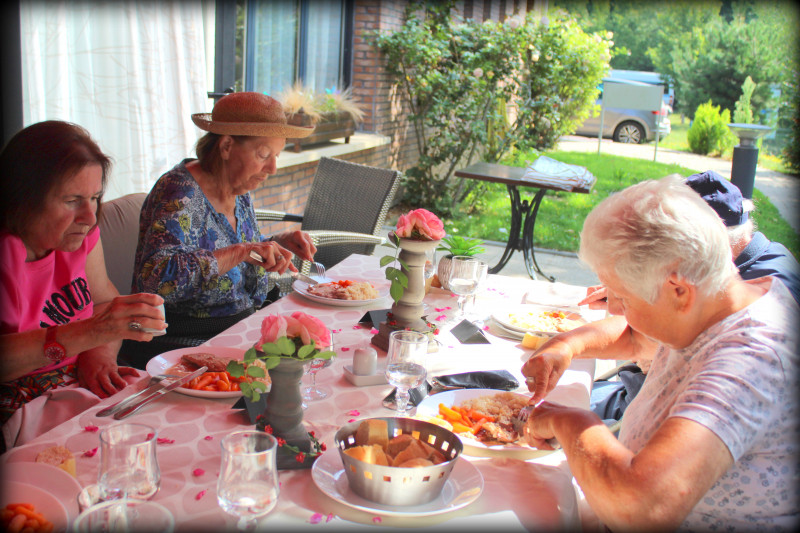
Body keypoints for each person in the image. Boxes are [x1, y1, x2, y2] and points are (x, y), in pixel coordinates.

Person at [520, 175, 798, 531]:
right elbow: (639, 338)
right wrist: (568, 344)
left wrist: (571, 420)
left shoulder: (753, 359)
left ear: (678, 289)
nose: (615, 308)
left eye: (622, 297)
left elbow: (642, 510)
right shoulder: (715, 299)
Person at [0, 121, 167, 451]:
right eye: (72, 199)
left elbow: (103, 299)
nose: (90, 217)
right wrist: (90, 334)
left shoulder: (80, 235)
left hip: (74, 381)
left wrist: (99, 354)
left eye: (94, 197)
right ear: (21, 198)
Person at [583, 170, 800, 422]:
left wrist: (636, 297)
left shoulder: (762, 297)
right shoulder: (761, 258)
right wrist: (629, 291)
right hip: (639, 392)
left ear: (705, 242)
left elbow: (655, 344)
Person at [127, 92, 318, 368]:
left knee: (311, 360)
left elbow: (233, 247)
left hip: (240, 329)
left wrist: (277, 242)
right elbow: (155, 280)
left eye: (276, 155)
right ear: (227, 146)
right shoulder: (178, 194)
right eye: (264, 154)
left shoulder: (238, 187)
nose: (273, 168)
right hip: (186, 346)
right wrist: (243, 251)